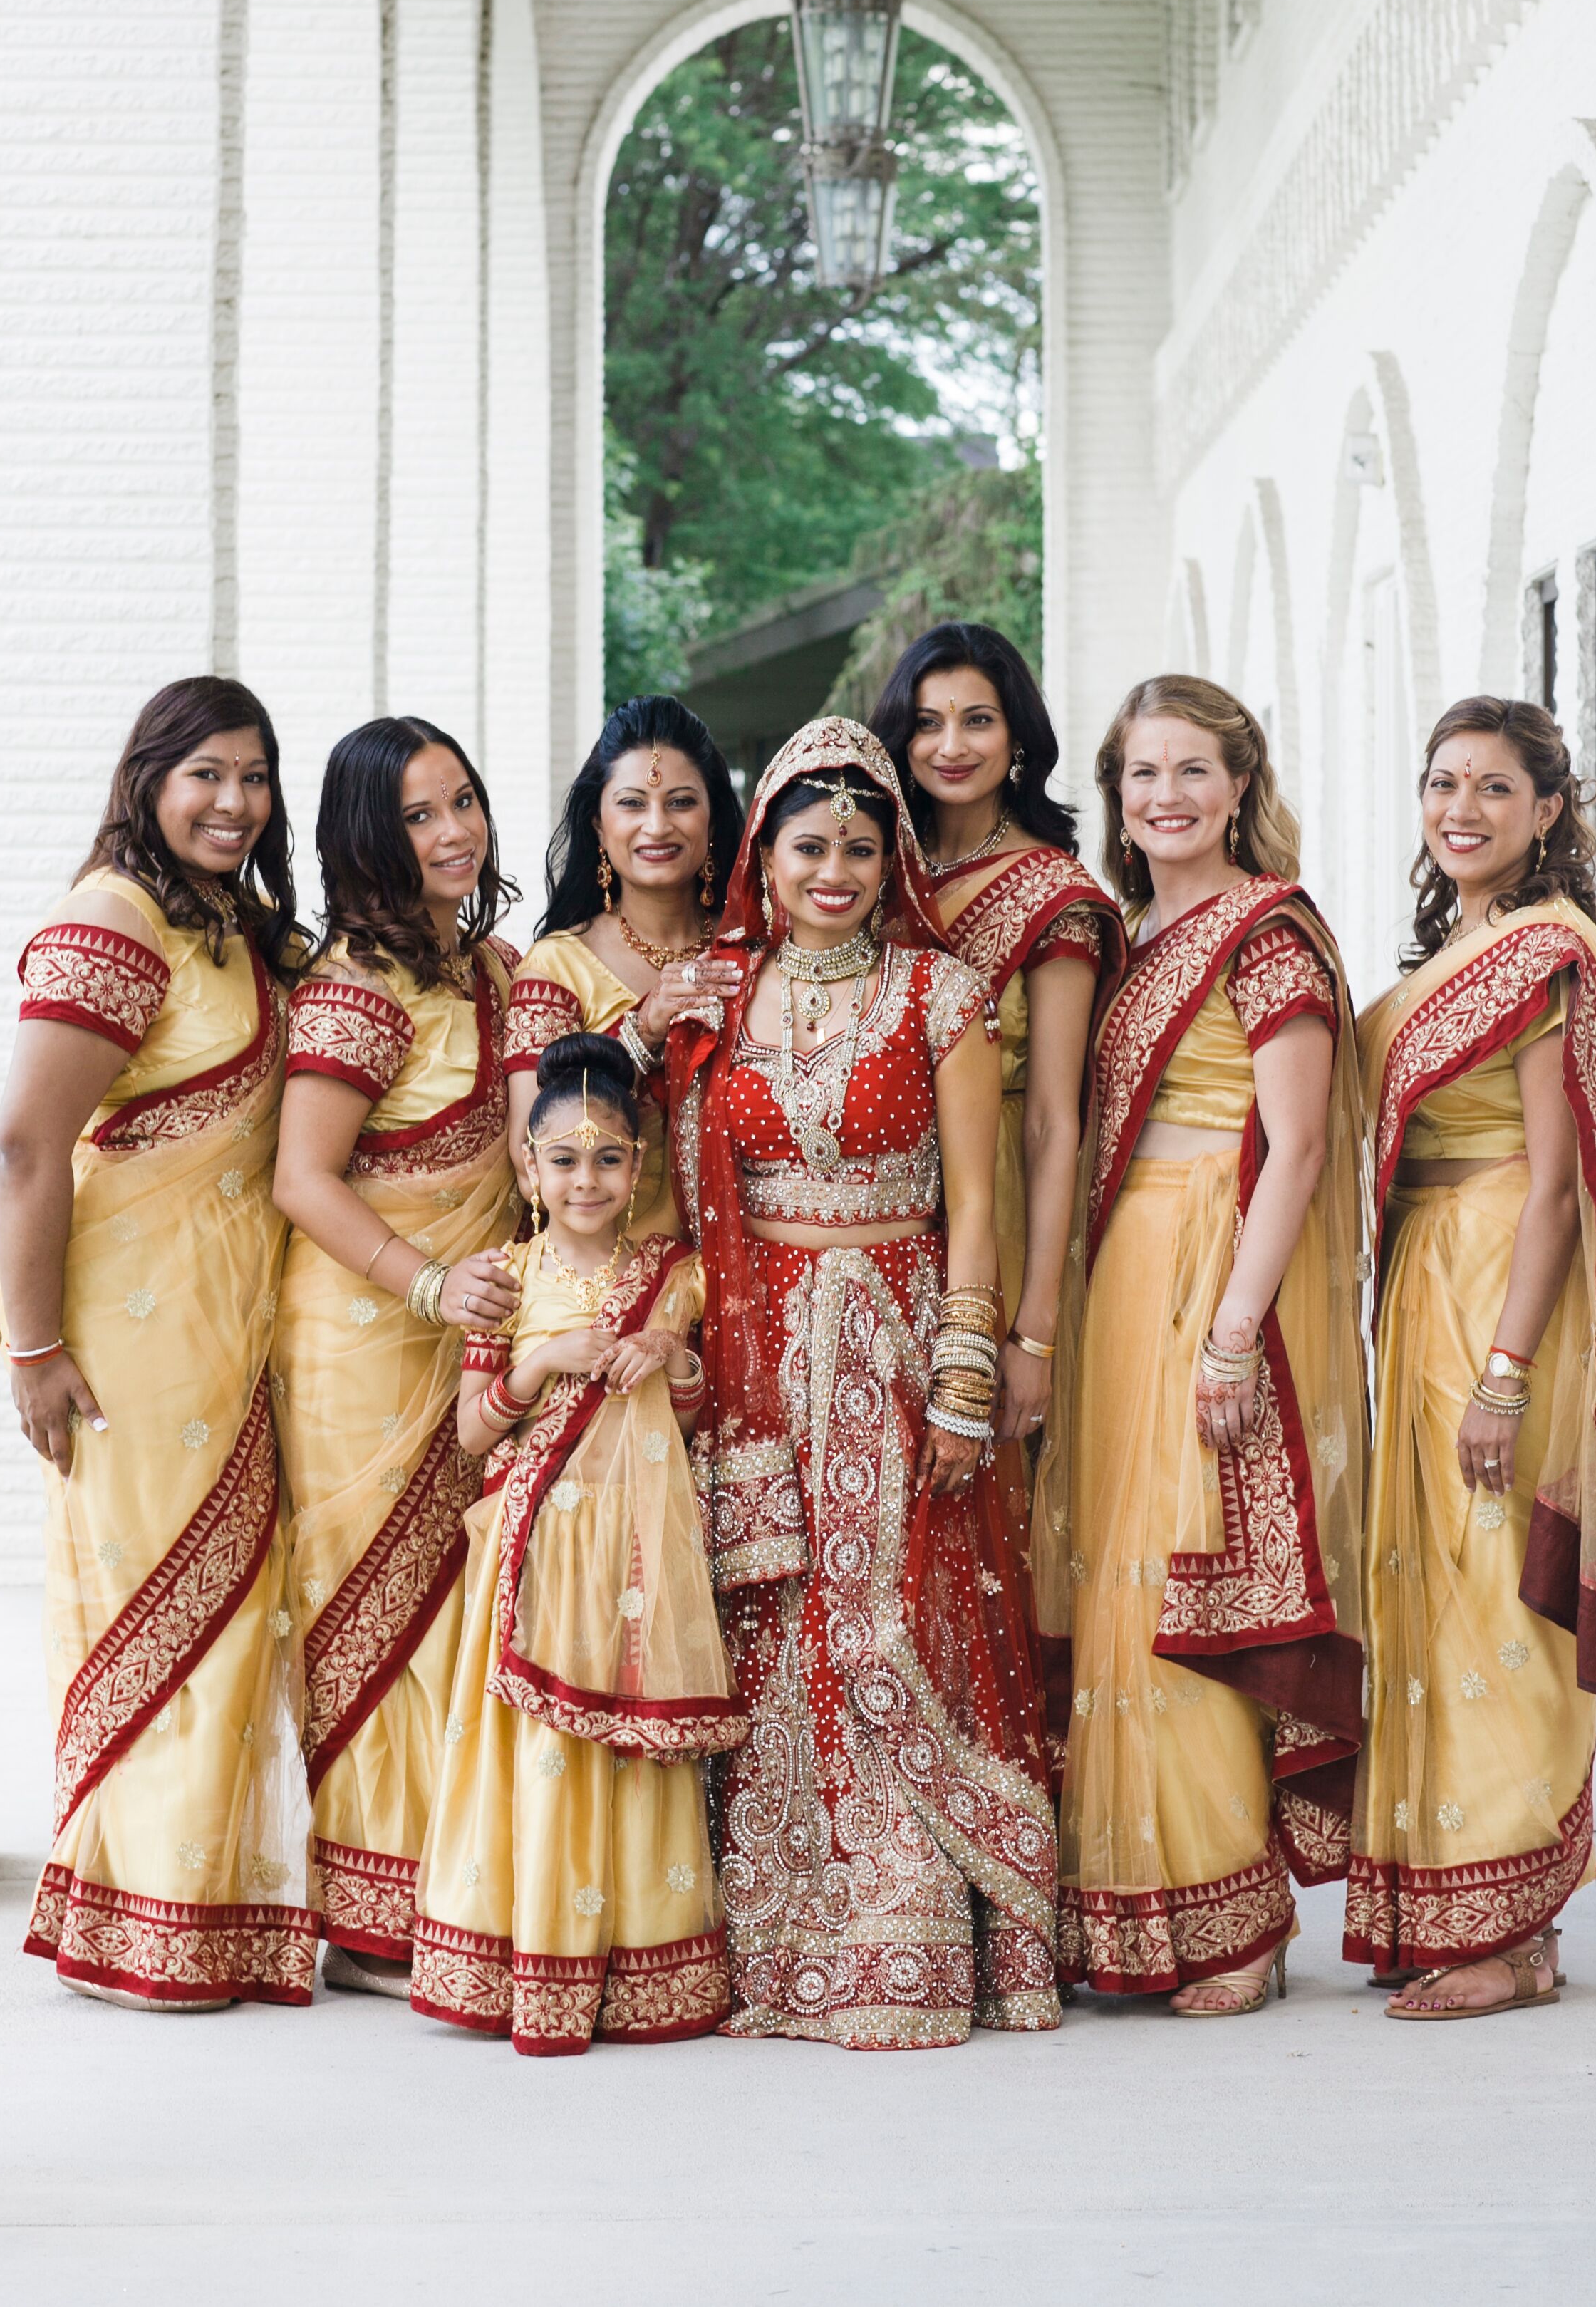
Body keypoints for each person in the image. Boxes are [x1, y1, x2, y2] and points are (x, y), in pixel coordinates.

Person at [668, 716, 1059, 2048]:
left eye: (856, 846)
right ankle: (777, 1931)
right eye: (805, 846)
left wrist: (965, 1376)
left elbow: (976, 1205)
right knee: (770, 1623)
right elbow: (640, 1162)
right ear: (761, 860)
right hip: (753, 1352)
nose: (831, 871)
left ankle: (910, 1928)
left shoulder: (939, 996)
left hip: (890, 1341)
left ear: (889, 857)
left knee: (894, 1615)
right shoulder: (716, 995)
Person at [1347, 698, 1596, 2020]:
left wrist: (1505, 1371)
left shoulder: (1549, 953)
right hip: (1422, 1283)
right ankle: (1466, 1902)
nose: (1460, 810)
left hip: (1499, 1286)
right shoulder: (1460, 945)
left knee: (1492, 1590)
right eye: (1441, 783)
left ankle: (1503, 1925)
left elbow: (1559, 1191)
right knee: (1425, 1584)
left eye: (1493, 789)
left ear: (1547, 811)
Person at [1034, 675, 1367, 2014]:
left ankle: (1230, 1919)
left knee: (1192, 1583)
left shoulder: (1262, 935)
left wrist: (1233, 1331)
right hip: (1122, 1277)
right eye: (1138, 775)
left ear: (1239, 785)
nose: (1162, 796)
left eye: (1189, 771)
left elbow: (1294, 1148)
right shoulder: (1128, 934)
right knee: (1117, 1585)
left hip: (1211, 1270)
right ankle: (1131, 1916)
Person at [0, 677, 315, 2008]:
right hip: (132, 1335)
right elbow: (22, 1142)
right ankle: (138, 1928)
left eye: (253, 778)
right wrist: (31, 1346)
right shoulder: (112, 922)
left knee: (235, 1615)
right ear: (147, 779)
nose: (233, 803)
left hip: (229, 1321)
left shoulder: (232, 930)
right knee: (156, 1613)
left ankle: (196, 1916)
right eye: (205, 775)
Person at [410, 1032, 742, 2053]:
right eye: (563, 1159)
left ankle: (637, 1968)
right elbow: (471, 1430)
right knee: (545, 1754)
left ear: (638, 1167)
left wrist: (671, 1359)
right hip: (535, 1547)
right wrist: (541, 1361)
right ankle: (536, 1963)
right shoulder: (505, 1279)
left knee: (629, 1745)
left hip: (639, 1553)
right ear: (528, 1166)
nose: (585, 1178)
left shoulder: (673, 1275)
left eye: (608, 1158)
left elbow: (696, 1415)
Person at [270, 717, 523, 1993]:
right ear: (369, 835)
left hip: (468, 1332)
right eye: (420, 815)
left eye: (463, 802)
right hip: (364, 1341)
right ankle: (367, 1914)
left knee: (454, 1605)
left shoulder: (491, 966)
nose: (454, 832)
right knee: (370, 1609)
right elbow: (303, 1179)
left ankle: (443, 1884)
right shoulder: (355, 990)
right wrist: (429, 1284)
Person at [870, 623, 1124, 1463]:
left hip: (1009, 1209)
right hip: (880, 1209)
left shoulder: (1053, 895)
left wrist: (1035, 1332)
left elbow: (1056, 1121)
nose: (950, 745)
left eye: (977, 720)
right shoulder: (865, 872)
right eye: (928, 722)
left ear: (1018, 737)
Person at [505, 695, 745, 1238]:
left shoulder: (752, 950)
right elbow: (530, 1164)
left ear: (712, 817)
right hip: (613, 1292)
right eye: (633, 803)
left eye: (681, 802)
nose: (657, 826)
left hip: (755, 1271)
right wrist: (644, 1032)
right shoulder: (557, 968)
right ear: (598, 823)